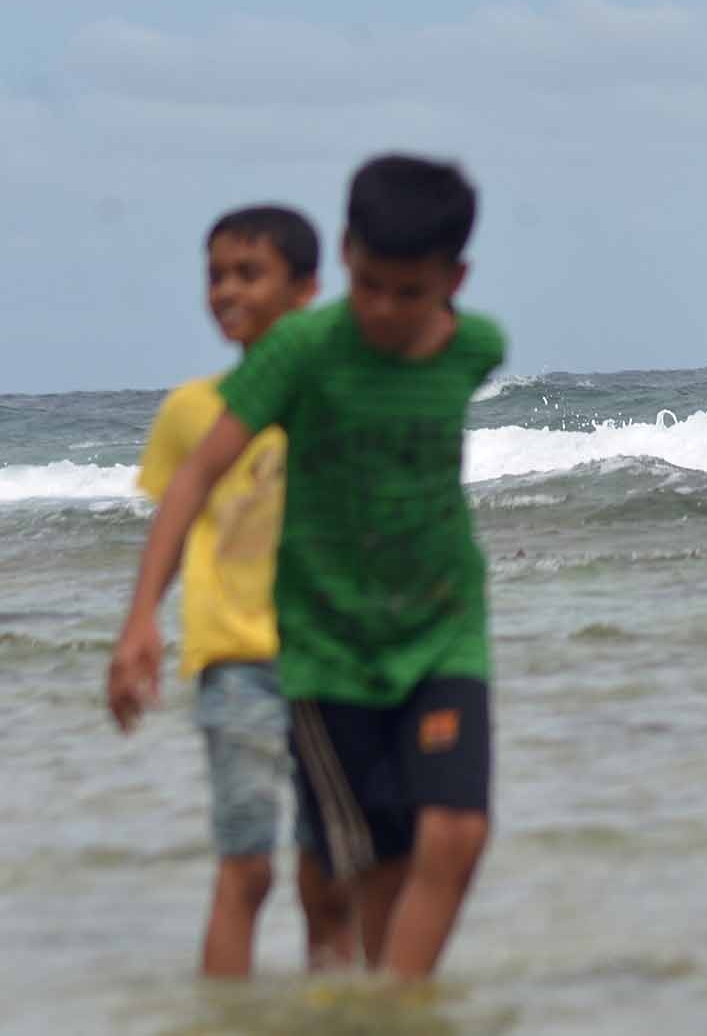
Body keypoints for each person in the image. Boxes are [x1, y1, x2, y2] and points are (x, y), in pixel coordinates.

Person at [110, 156, 506, 981]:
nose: (386, 311)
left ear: (452, 279)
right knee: (374, 868)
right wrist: (142, 616)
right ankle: (387, 1007)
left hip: (443, 631)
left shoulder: (474, 346)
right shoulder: (301, 349)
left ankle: (396, 1008)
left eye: (411, 292)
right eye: (369, 286)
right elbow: (195, 476)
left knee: (460, 829)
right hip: (327, 654)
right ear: (347, 256)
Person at [127, 205, 355, 977]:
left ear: (305, 289)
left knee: (330, 878)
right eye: (215, 274)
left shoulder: (339, 395)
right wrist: (140, 626)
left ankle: (338, 1017)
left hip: (332, 662)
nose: (226, 290)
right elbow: (174, 513)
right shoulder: (192, 410)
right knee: (247, 868)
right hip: (236, 663)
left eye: (247, 273)